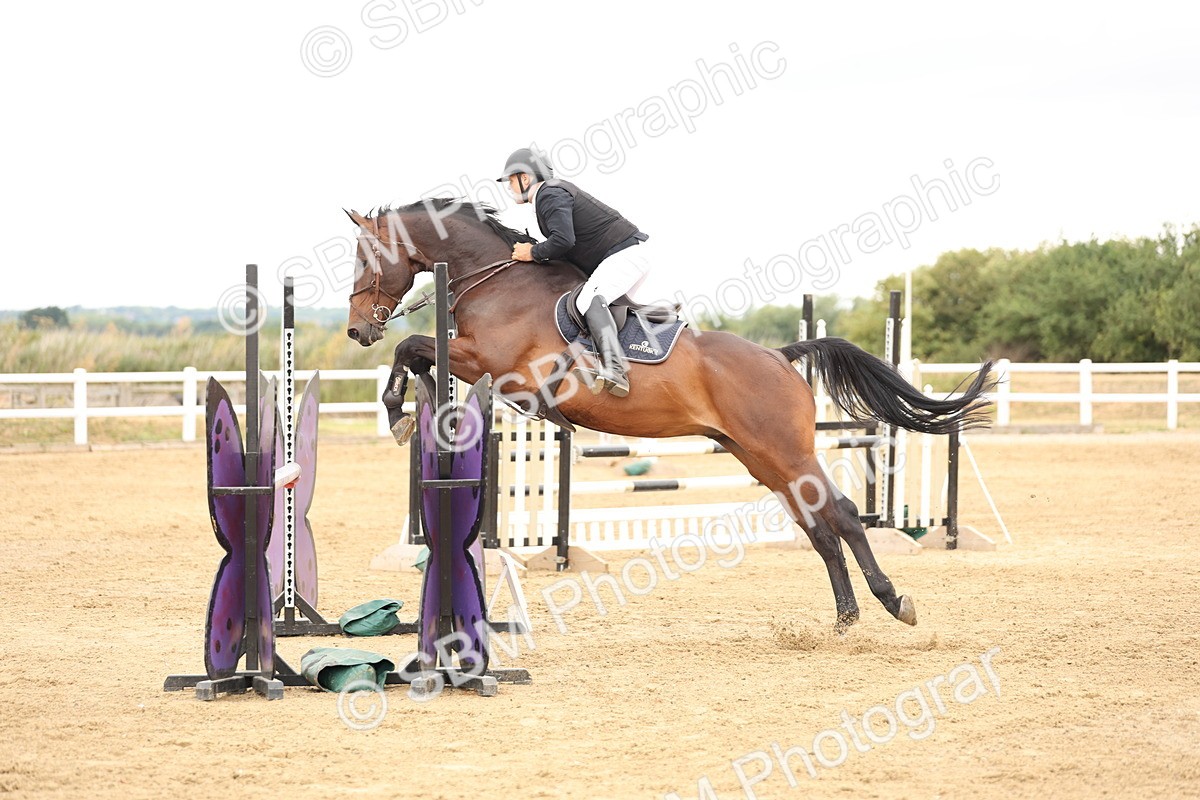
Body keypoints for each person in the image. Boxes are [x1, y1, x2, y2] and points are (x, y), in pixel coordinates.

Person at [497, 147, 651, 397]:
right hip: (626, 255)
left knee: (588, 301)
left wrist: (532, 253)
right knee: (599, 308)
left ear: (525, 178)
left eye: (510, 180)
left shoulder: (549, 193)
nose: (509, 187)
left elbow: (563, 241)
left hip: (626, 255)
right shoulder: (549, 195)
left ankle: (614, 370)